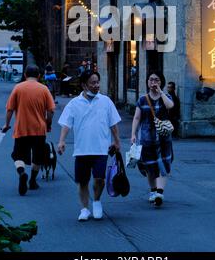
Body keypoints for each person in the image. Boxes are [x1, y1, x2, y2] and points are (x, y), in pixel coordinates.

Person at [57, 70, 121, 221]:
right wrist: (61, 141)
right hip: (82, 149)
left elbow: (113, 123)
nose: (96, 85)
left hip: (101, 148)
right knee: (83, 181)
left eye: (97, 82)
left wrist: (117, 141)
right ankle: (84, 208)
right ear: (84, 85)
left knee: (100, 179)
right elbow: (66, 124)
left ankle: (97, 201)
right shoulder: (74, 104)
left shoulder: (106, 101)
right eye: (92, 82)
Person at [1, 65, 55, 196]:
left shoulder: (18, 88)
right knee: (38, 156)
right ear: (39, 76)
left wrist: (6, 125)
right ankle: (32, 181)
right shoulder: (44, 89)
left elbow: (9, 109)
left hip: (21, 128)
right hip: (39, 129)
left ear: (25, 75)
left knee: (18, 155)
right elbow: (51, 110)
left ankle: (21, 172)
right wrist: (48, 123)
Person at [131, 70, 174, 207]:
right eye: (151, 80)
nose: (153, 82)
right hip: (146, 139)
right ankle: (153, 190)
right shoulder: (142, 99)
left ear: (161, 82)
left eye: (156, 80)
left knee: (163, 165)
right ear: (147, 82)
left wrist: (161, 92)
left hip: (163, 139)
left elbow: (170, 106)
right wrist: (133, 134)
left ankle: (159, 193)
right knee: (150, 168)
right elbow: (137, 118)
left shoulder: (165, 96)